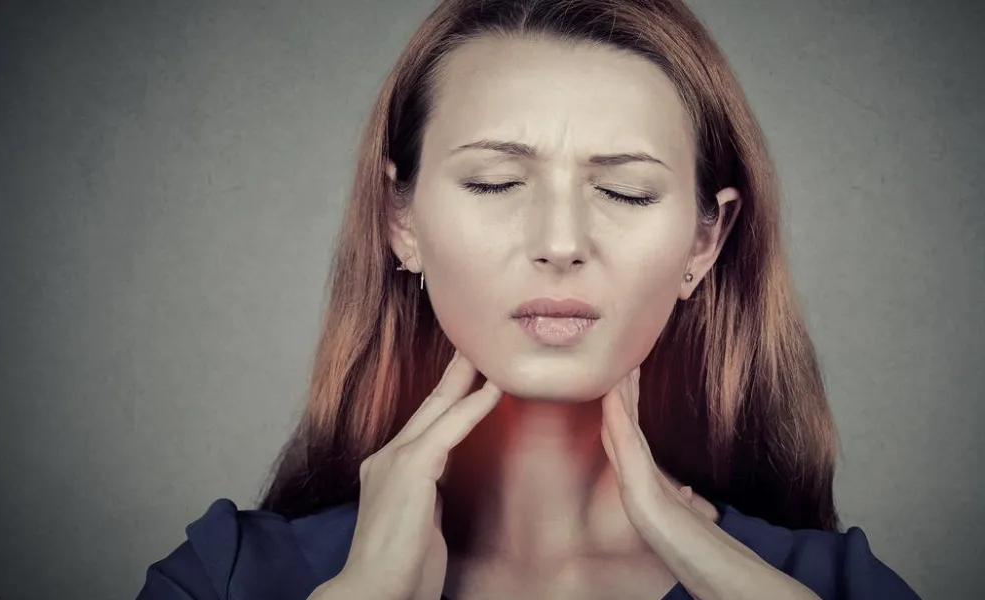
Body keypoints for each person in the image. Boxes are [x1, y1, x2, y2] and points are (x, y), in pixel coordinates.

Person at [136, 0, 921, 598]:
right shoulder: (226, 576)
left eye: (626, 190)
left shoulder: (831, 583)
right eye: (495, 182)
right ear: (399, 220)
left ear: (703, 243)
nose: (560, 240)